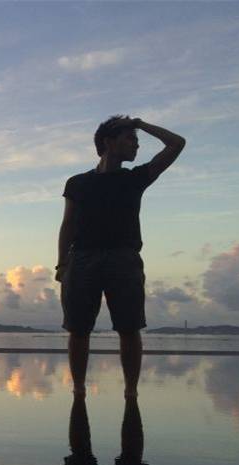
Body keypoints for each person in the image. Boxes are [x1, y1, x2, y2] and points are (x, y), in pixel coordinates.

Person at [56, 116, 185, 398]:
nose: (136, 146)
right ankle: (78, 391)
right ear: (108, 143)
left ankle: (131, 393)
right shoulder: (77, 183)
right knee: (78, 329)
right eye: (130, 139)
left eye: (137, 141)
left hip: (124, 259)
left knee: (129, 328)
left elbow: (177, 143)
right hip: (83, 259)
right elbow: (68, 224)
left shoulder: (136, 178)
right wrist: (62, 263)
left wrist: (141, 124)